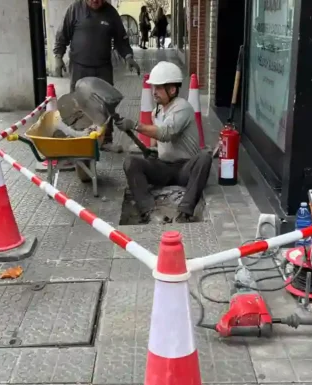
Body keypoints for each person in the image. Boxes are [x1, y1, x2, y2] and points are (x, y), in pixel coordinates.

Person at [116, 61, 213, 223]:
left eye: (158, 88)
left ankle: (185, 212)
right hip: (164, 168)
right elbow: (156, 142)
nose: (154, 92)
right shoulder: (157, 112)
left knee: (205, 157)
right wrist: (151, 152)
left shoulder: (182, 108)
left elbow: (166, 133)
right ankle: (148, 211)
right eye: (153, 87)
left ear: (172, 89)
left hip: (185, 168)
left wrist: (134, 125)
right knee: (131, 162)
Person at [53, 0, 141, 151]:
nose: (95, 1)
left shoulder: (110, 12)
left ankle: (105, 140)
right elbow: (62, 35)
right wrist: (58, 57)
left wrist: (128, 57)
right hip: (79, 66)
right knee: (78, 104)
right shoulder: (74, 9)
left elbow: (121, 38)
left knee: (105, 104)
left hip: (103, 67)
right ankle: (79, 139)